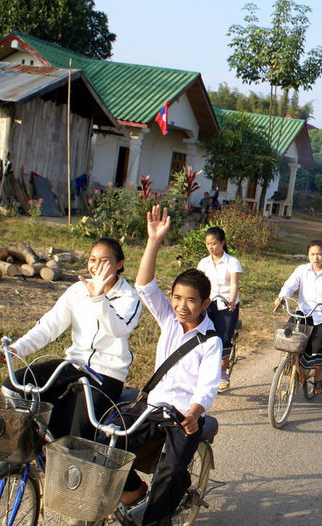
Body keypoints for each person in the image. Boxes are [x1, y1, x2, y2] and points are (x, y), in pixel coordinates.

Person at [118, 204, 222, 525]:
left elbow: (207, 386)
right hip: (152, 408)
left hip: (182, 418)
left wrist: (194, 413)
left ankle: (157, 520)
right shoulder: (169, 320)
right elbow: (145, 285)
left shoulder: (211, 341)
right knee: (106, 441)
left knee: (173, 472)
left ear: (205, 303)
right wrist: (153, 241)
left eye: (191, 300)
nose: (181, 306)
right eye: (176, 297)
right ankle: (133, 489)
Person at [0, 238, 142, 440]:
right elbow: (49, 326)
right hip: (73, 367)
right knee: (15, 385)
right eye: (92, 259)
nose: (96, 266)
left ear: (119, 264)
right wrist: (17, 349)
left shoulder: (129, 297)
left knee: (75, 438)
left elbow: (117, 329)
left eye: (104, 261)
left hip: (106, 377)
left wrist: (98, 297)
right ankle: (42, 445)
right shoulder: (78, 290)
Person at [274, 240, 322, 395]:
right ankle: (288, 363)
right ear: (308, 255)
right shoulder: (302, 270)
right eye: (312, 254)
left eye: (319, 254)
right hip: (303, 313)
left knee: (317, 347)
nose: (316, 257)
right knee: (287, 336)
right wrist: (282, 297)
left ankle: (318, 377)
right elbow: (290, 285)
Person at [197, 226, 242, 392]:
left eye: (214, 243)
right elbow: (199, 283)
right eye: (208, 244)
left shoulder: (232, 262)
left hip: (226, 304)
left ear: (222, 243)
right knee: (205, 335)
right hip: (208, 304)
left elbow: (234, 284)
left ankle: (223, 372)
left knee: (223, 338)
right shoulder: (204, 262)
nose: (211, 247)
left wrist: (231, 300)